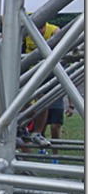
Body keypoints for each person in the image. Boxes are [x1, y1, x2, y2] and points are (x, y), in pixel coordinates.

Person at [20, 20, 60, 148]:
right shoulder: (26, 33)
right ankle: (24, 127)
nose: (39, 32)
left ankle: (37, 133)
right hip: (29, 71)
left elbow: (61, 37)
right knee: (21, 100)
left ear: (44, 26)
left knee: (43, 101)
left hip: (46, 71)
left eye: (41, 29)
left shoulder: (53, 30)